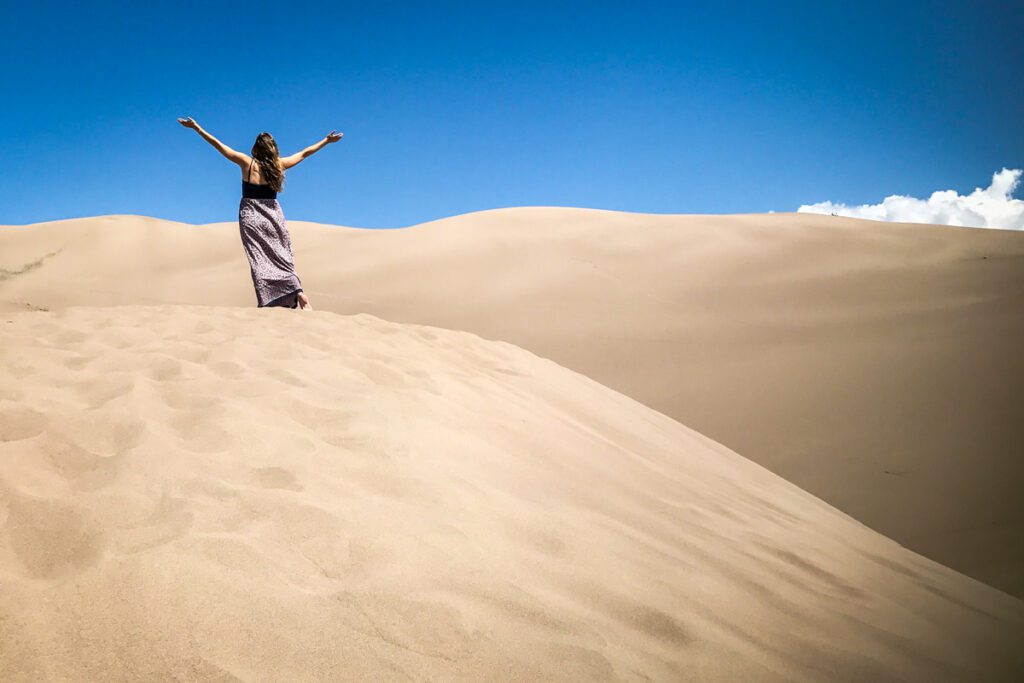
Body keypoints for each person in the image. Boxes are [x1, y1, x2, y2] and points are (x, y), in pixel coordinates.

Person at [177, 117, 344, 310]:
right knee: (282, 256)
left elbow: (218, 145)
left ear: (256, 148)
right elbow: (304, 153)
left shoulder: (247, 163)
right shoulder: (278, 165)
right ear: (273, 148)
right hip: (273, 215)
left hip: (251, 217)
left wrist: (196, 128)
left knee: (259, 259)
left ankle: (267, 301)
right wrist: (326, 140)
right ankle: (297, 292)